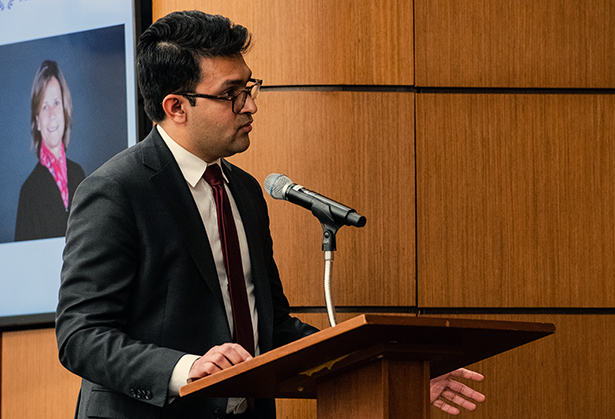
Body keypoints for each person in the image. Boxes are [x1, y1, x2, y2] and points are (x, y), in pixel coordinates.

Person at [55, 10, 483, 419]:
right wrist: (186, 368)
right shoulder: (115, 191)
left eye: (249, 88)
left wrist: (389, 372)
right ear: (176, 107)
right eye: (230, 95)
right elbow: (81, 336)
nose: (250, 106)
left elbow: (271, 326)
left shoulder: (243, 191)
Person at [15, 60, 85, 242]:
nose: (52, 114)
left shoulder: (79, 176)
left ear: (65, 111)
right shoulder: (29, 192)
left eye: (56, 103)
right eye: (44, 106)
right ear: (37, 120)